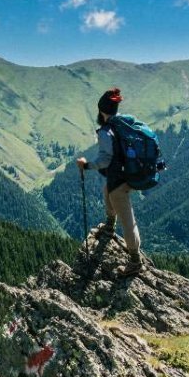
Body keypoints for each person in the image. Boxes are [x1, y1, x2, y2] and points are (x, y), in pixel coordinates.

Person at [76, 87, 143, 277]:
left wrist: (86, 165)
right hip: (129, 173)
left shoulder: (107, 131)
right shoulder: (124, 123)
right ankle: (110, 224)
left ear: (102, 111)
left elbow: (105, 159)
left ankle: (135, 261)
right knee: (107, 190)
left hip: (119, 180)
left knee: (128, 220)